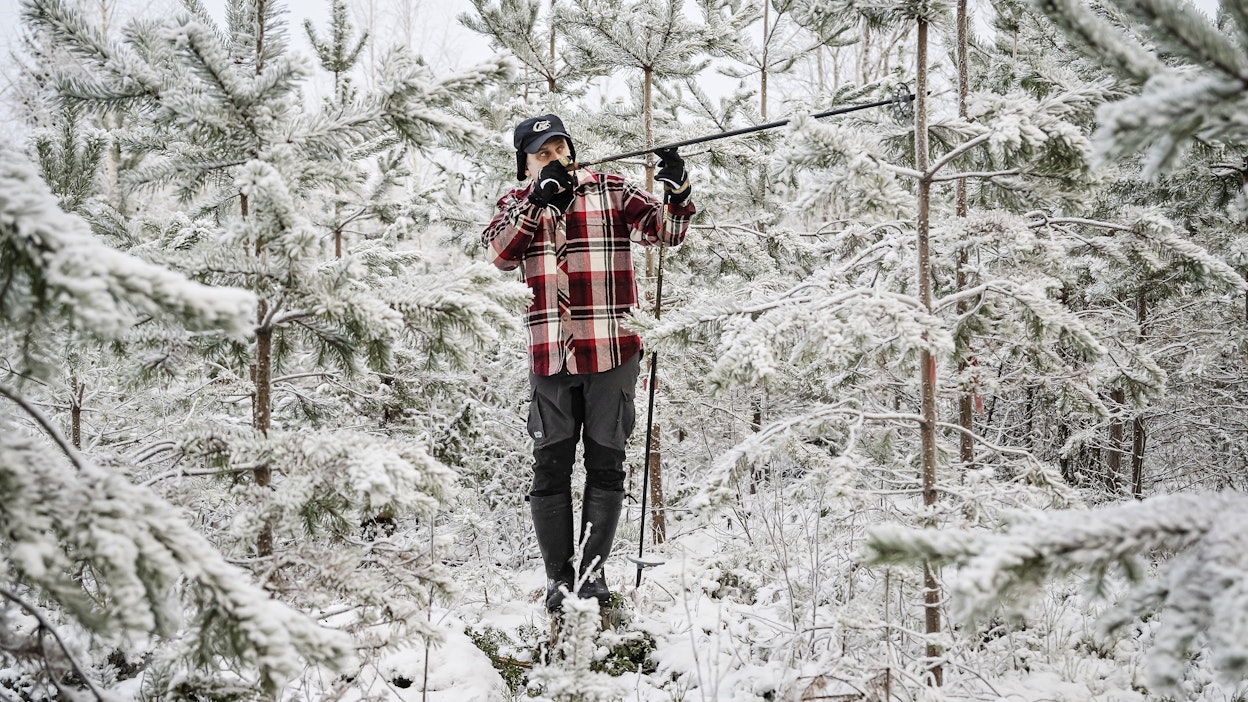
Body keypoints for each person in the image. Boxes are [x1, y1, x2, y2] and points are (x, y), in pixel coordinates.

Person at [482, 113, 695, 612]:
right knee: (550, 467)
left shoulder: (611, 190)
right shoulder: (515, 205)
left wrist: (678, 190)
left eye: (559, 148)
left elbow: (669, 231)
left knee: (606, 462)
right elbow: (499, 254)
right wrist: (537, 202)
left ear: (572, 150)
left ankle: (594, 579)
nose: (553, 157)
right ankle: (559, 582)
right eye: (541, 153)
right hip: (549, 356)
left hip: (611, 351)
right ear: (525, 164)